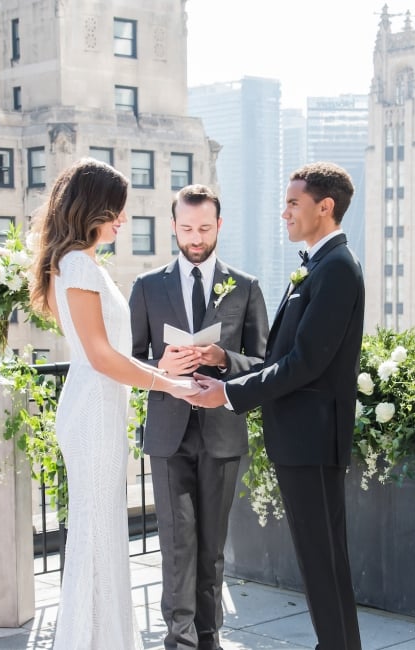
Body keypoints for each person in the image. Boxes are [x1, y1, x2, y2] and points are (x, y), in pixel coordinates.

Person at [187, 162, 364, 650]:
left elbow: (306, 363)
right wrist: (226, 366)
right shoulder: (315, 265)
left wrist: (226, 395)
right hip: (299, 438)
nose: (282, 212)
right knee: (318, 559)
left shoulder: (337, 270)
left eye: (292, 203)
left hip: (313, 441)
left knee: (322, 558)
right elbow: (279, 357)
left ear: (324, 208)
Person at [29, 158, 199, 649]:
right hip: (92, 413)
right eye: (116, 210)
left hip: (100, 409)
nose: (123, 220)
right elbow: (101, 357)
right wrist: (166, 383)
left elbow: (105, 352)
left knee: (101, 531)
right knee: (96, 533)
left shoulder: (80, 262)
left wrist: (159, 368)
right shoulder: (79, 264)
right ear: (92, 209)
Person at [129, 185, 269, 650]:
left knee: (211, 548)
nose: (195, 237)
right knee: (176, 546)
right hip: (168, 434)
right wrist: (161, 368)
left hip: (222, 433)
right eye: (186, 228)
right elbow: (129, 362)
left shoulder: (245, 286)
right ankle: (180, 642)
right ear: (173, 226)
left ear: (219, 226)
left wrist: (222, 357)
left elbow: (265, 363)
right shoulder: (147, 287)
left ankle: (209, 638)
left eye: (204, 228)